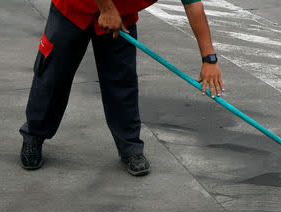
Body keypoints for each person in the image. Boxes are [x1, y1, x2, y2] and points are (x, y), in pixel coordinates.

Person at [19, 0, 224, 176]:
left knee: (122, 81)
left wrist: (209, 59)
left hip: (121, 14)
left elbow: (193, 5)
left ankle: (130, 147)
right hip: (73, 8)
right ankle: (34, 136)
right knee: (53, 76)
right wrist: (107, 10)